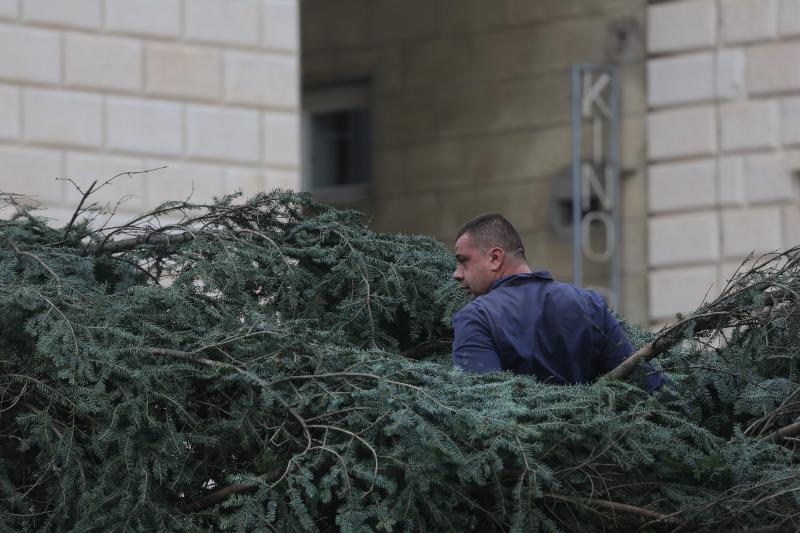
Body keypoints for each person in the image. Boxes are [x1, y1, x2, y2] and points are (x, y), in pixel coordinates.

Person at [452, 213, 663, 392]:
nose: (456, 274)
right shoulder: (589, 304)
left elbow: (482, 408)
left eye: (463, 261)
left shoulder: (475, 318)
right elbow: (644, 384)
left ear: (495, 258)